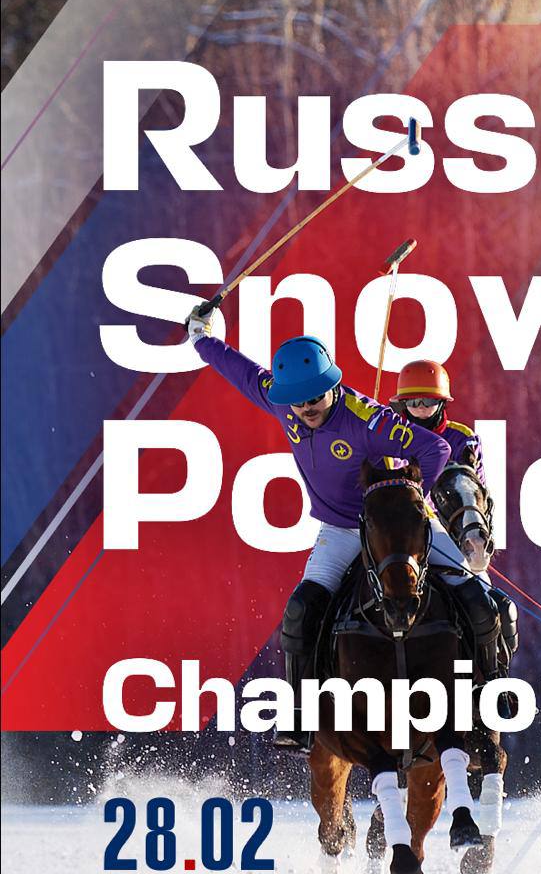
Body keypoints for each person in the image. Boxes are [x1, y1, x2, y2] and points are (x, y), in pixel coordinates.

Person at [184, 309, 504, 757]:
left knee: (481, 598)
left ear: (332, 386)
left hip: (394, 528)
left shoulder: (368, 419)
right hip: (340, 529)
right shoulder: (284, 401)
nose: (307, 408)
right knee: (301, 611)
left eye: (315, 397)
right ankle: (300, 716)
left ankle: (488, 701)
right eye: (298, 401)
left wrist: (411, 503)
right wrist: (202, 338)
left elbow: (435, 447)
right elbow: (241, 372)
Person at [390, 359, 518, 672]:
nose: (421, 409)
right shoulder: (388, 436)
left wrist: (475, 534)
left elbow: (478, 492)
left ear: (442, 402)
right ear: (403, 404)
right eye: (414, 402)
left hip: (448, 534)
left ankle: (493, 680)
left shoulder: (463, 438)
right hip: (399, 534)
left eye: (428, 401)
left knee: (498, 609)